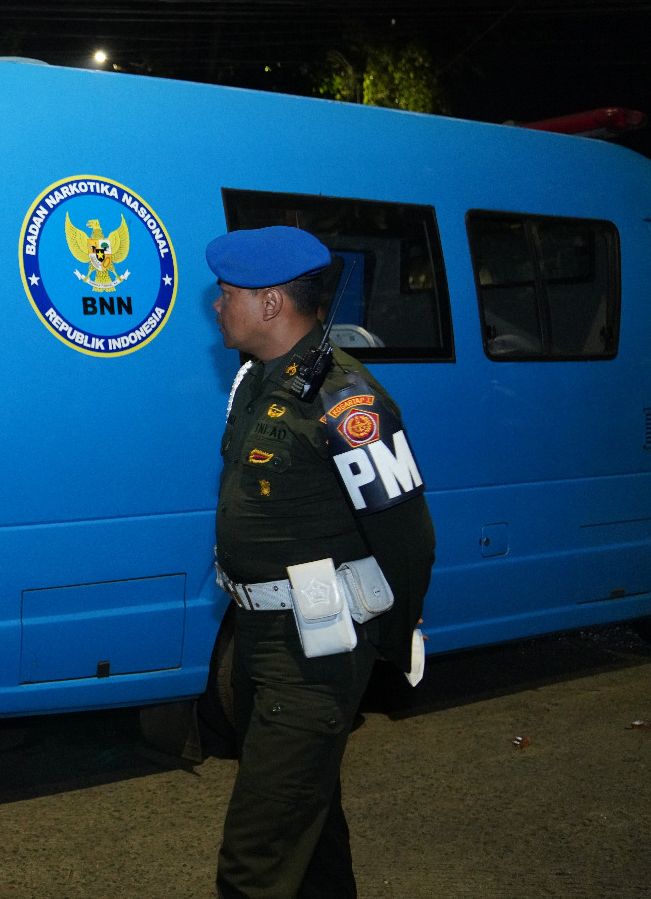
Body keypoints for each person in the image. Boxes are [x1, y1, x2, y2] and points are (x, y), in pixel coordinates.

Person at [206, 226, 435, 899]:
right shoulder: (259, 381)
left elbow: (409, 538)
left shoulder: (347, 401)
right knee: (310, 830)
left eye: (227, 292)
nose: (217, 304)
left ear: (272, 302)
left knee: (255, 862)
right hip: (259, 640)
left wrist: (390, 638)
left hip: (313, 655)